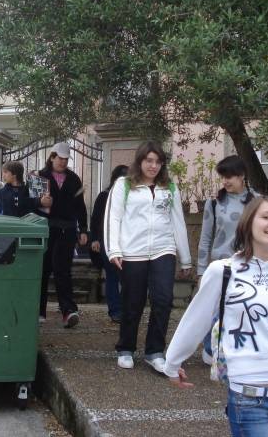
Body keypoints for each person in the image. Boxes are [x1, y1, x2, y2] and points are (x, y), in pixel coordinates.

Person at [164, 196, 268, 436]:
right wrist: (173, 363)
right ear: (248, 223)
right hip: (248, 394)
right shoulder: (224, 270)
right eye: (267, 217)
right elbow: (196, 319)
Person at [104, 141, 193, 372]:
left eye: (158, 162)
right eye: (149, 161)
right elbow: (113, 218)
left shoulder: (169, 187)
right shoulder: (124, 184)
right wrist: (114, 249)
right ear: (140, 161)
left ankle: (155, 351)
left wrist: (185, 258)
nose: (153, 166)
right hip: (133, 251)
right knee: (132, 302)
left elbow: (178, 222)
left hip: (163, 249)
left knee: (163, 299)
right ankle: (126, 348)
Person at [197, 155, 258, 363]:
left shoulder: (258, 202)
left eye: (229, 176)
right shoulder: (214, 203)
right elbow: (205, 238)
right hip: (221, 267)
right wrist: (201, 270)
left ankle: (239, 349)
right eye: (222, 177)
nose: (225, 181)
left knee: (245, 310)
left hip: (250, 265)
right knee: (215, 310)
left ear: (242, 176)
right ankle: (211, 348)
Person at [37, 142, 88, 328]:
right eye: (60, 158)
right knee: (42, 269)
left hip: (67, 229)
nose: (63, 162)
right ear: (52, 157)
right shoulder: (40, 177)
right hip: (45, 228)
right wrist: (40, 202)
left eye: (66, 159)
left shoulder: (74, 179)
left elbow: (80, 206)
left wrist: (83, 229)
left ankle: (68, 311)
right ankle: (38, 311)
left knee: (63, 270)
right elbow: (30, 202)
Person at [89, 164, 129, 323]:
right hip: (107, 241)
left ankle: (125, 308)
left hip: (127, 242)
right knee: (112, 275)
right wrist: (95, 239)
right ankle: (115, 310)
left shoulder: (132, 197)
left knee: (126, 277)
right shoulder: (104, 196)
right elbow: (96, 219)